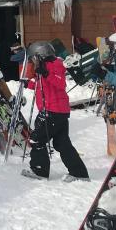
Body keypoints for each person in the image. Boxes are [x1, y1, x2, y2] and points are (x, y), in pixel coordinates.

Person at [22, 41, 89, 182]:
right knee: (62, 143)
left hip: (54, 110)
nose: (33, 60)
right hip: (55, 110)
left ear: (40, 55)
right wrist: (29, 83)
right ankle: (79, 173)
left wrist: (46, 74)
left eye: (34, 57)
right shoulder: (42, 66)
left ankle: (39, 171)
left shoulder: (55, 64)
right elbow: (42, 85)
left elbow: (60, 83)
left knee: (37, 139)